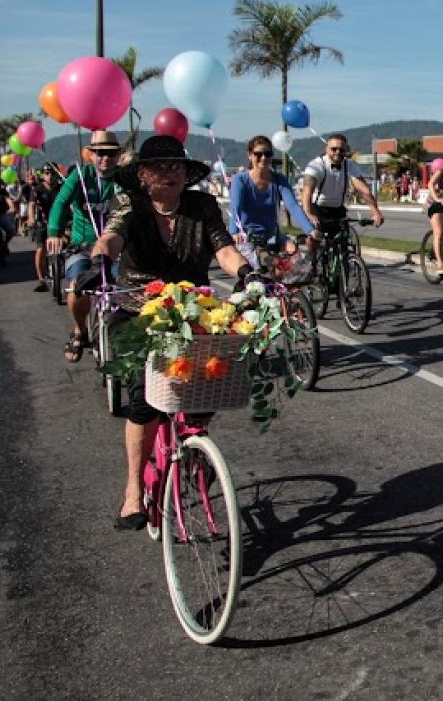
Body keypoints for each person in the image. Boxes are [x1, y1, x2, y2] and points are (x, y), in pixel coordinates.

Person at [74, 136, 256, 529]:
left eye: (176, 167)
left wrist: (246, 272)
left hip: (193, 308)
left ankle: (192, 444)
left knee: (214, 378)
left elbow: (223, 249)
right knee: (144, 400)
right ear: (142, 174)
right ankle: (132, 492)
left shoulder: (202, 206)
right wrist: (99, 260)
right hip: (138, 310)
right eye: (160, 167)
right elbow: (113, 235)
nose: (170, 173)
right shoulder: (130, 204)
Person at [47, 130, 123, 361]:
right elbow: (61, 202)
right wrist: (54, 233)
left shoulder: (124, 179)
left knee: (128, 288)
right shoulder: (81, 175)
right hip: (83, 245)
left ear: (118, 155)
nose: (105, 158)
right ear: (90, 155)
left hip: (115, 247)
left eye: (110, 154)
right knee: (76, 286)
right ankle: (80, 329)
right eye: (99, 153)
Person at [229, 135, 317, 267]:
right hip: (248, 236)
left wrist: (310, 230)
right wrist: (234, 231)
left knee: (296, 257)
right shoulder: (240, 180)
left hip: (272, 235)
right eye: (258, 154)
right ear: (250, 155)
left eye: (268, 154)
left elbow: (292, 206)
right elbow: (236, 206)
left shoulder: (278, 179)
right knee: (260, 268)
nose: (263, 158)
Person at [299, 134, 385, 235]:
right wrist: (309, 213)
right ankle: (311, 250)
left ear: (346, 150)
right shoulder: (316, 165)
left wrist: (376, 212)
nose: (338, 152)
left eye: (341, 150)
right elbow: (307, 191)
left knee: (343, 239)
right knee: (314, 236)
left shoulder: (349, 165)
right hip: (317, 207)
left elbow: (364, 190)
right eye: (334, 149)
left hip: (338, 208)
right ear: (327, 149)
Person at [27, 166, 59, 290]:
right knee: (40, 250)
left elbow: (70, 204)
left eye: (52, 173)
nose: (50, 176)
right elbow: (31, 204)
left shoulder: (61, 188)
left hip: (58, 223)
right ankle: (41, 279)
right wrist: (31, 218)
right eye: (46, 173)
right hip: (42, 223)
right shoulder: (37, 189)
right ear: (42, 175)